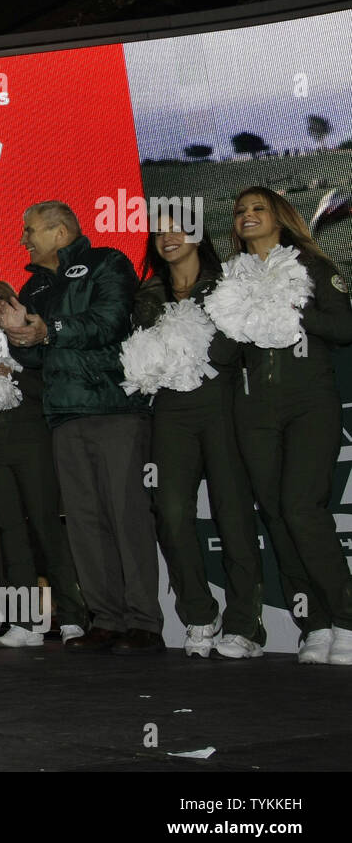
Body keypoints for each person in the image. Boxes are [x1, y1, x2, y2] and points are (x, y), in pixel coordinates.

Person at [0, 200, 163, 654]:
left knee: (126, 516)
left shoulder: (106, 261)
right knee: (85, 522)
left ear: (59, 231)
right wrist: (19, 336)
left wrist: (48, 329)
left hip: (113, 407)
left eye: (29, 229)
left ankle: (144, 621)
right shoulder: (32, 287)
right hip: (65, 415)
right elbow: (33, 355)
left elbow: (109, 321)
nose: (23, 238)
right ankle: (106, 619)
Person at [227, 187, 352, 665]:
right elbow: (226, 350)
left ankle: (347, 616)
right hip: (255, 411)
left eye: (258, 208)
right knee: (277, 515)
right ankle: (315, 623)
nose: (247, 216)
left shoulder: (311, 266)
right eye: (241, 212)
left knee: (302, 509)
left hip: (309, 404)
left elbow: (344, 329)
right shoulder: (231, 279)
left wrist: (294, 306)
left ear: (280, 218)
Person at [133, 218, 265, 658]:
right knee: (170, 514)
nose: (168, 238)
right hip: (170, 412)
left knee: (233, 515)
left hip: (221, 404)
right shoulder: (147, 294)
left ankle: (245, 625)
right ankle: (199, 615)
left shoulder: (226, 282)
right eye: (159, 232)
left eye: (179, 229)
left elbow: (241, 344)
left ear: (198, 236)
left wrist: (201, 346)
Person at [0, 281, 87, 647]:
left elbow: (48, 387)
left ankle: (72, 617)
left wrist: (13, 372)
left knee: (45, 526)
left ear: (12, 302)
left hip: (32, 440)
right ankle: (24, 622)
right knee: (9, 532)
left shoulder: (30, 336)